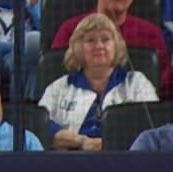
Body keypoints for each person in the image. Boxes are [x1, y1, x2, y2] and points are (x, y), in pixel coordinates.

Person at [39, 13, 158, 152]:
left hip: (125, 162)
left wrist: (109, 144)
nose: (99, 46)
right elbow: (41, 126)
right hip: (70, 163)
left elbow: (151, 127)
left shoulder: (137, 83)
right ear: (78, 48)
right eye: (90, 40)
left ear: (117, 46)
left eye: (106, 39)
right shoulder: (59, 87)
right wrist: (82, 141)